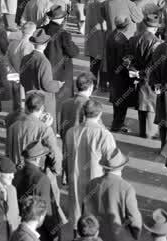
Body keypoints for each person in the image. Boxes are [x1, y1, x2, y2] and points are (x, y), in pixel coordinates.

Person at [65, 99, 116, 231]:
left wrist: (65, 175)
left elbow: (66, 158)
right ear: (100, 114)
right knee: (93, 221)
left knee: (77, 218)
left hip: (75, 178)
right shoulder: (104, 135)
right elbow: (113, 163)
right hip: (96, 180)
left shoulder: (71, 132)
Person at [82, 149, 141, 241]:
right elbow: (134, 219)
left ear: (104, 167)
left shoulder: (91, 184)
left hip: (96, 236)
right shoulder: (126, 188)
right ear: (122, 167)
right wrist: (135, 236)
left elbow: (85, 213)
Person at [20, 29, 64, 120]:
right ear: (45, 44)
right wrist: (58, 84)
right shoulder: (44, 61)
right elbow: (47, 85)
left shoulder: (25, 58)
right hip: (43, 100)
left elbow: (22, 80)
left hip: (30, 97)